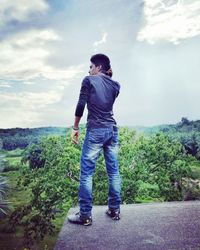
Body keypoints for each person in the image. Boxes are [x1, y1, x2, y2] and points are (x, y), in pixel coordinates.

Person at [68, 54, 121, 226]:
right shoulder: (116, 85)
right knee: (113, 172)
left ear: (98, 67)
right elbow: (107, 92)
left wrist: (75, 128)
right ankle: (114, 209)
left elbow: (81, 104)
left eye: (91, 66)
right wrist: (108, 76)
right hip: (112, 130)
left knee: (86, 173)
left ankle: (85, 215)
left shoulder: (88, 80)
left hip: (96, 130)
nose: (88, 70)